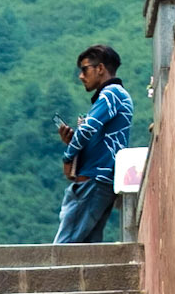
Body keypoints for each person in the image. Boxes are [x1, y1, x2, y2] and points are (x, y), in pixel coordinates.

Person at [54, 44, 133, 246]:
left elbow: (88, 128)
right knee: (86, 250)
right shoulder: (115, 97)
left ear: (100, 69)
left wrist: (68, 157)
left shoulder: (111, 93)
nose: (81, 76)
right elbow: (96, 136)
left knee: (63, 249)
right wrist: (73, 141)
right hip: (102, 181)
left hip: (93, 182)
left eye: (85, 69)